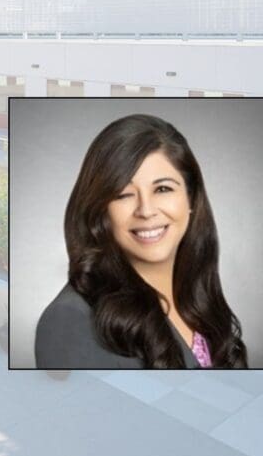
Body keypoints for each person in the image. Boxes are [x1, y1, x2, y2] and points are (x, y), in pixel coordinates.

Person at [35, 114, 247, 369]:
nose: (146, 210)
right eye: (123, 194)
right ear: (101, 211)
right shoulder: (70, 320)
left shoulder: (200, 303)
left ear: (190, 199)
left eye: (163, 189)